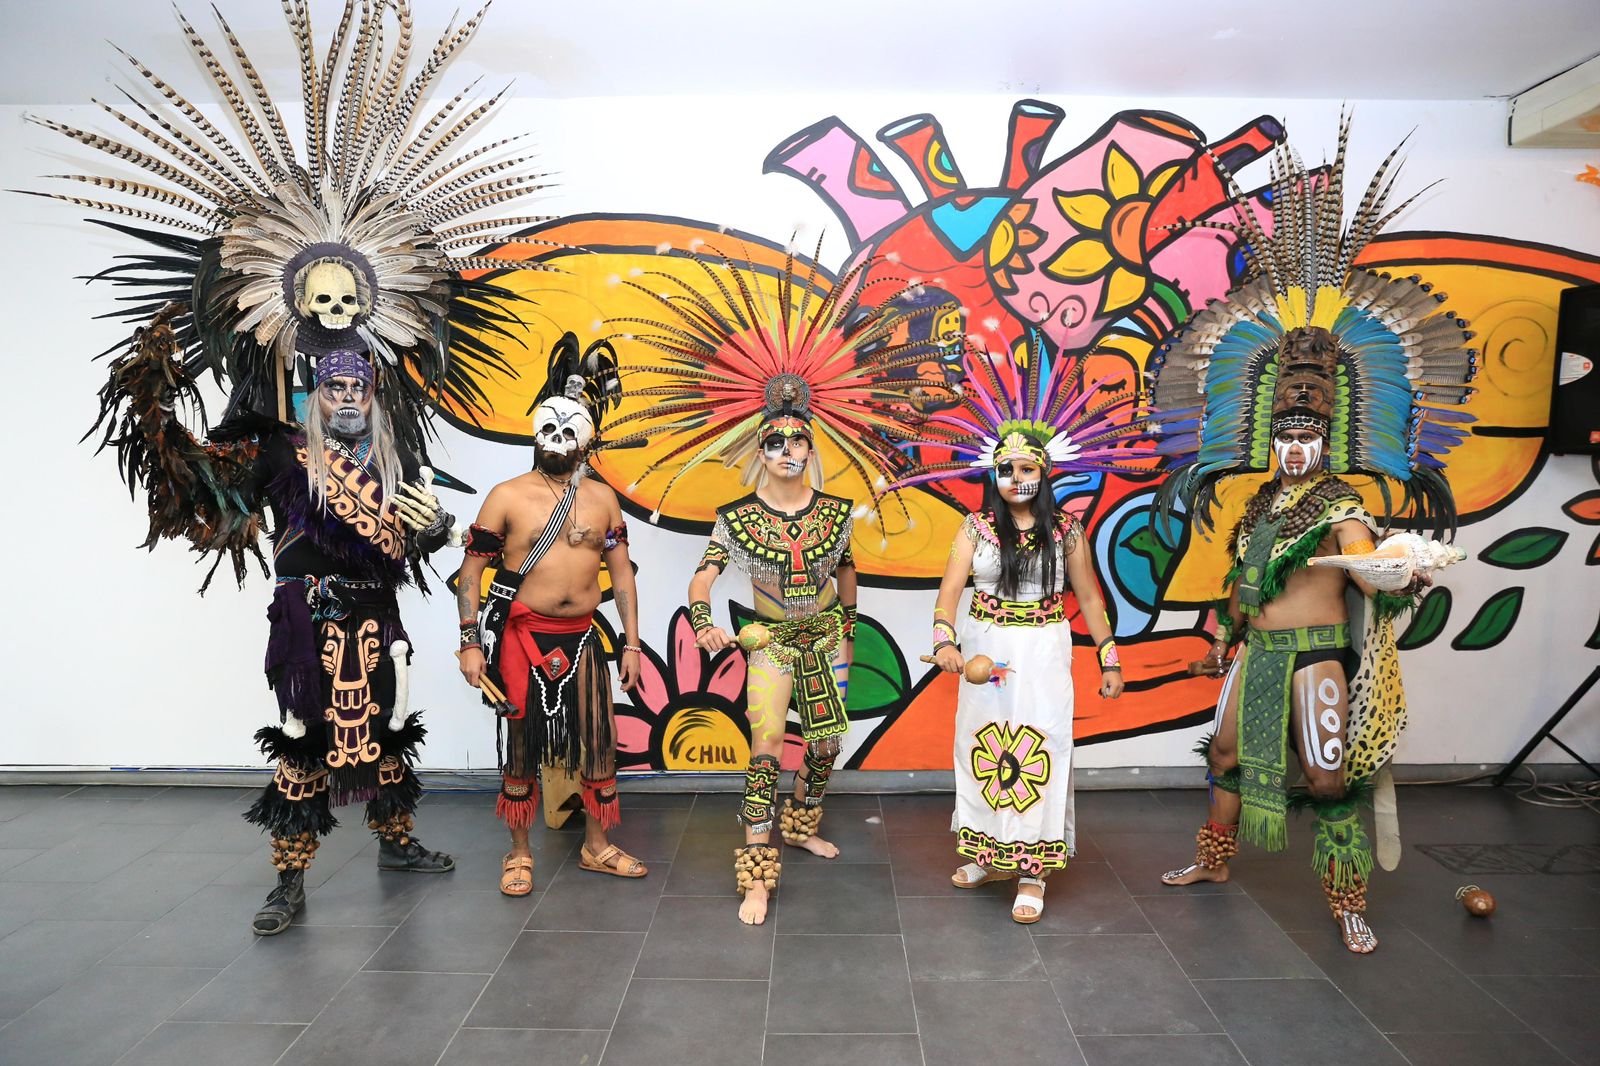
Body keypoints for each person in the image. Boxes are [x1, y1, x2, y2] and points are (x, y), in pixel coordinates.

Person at [1148, 117, 1478, 953]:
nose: (1295, 446)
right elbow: (1243, 587)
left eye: (1308, 434)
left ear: (1328, 440)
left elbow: (1367, 576)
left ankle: (1347, 903)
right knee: (1224, 757)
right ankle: (1214, 862)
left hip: (1315, 659)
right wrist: (1222, 640)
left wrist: (1400, 571)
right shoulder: (1260, 506)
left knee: (1329, 780)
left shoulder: (1345, 508)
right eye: (1285, 434)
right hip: (1255, 656)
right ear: (1269, 437)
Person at [606, 247, 936, 924]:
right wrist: (704, 624)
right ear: (760, 451)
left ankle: (801, 821)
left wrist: (849, 629)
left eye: (798, 442)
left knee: (825, 745)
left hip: (827, 639)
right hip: (771, 645)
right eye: (776, 443)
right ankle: (757, 872)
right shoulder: (737, 517)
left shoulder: (836, 513)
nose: (788, 451)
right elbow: (703, 578)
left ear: (812, 448)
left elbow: (847, 571)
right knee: (763, 754)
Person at [888, 335, 1147, 923]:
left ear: (1044, 473)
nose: (1014, 477)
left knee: (1041, 746)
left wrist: (1109, 659)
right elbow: (949, 594)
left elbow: (1089, 598)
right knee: (981, 745)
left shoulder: (1068, 531)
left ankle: (1032, 870)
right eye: (1004, 469)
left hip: (1043, 648)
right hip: (985, 643)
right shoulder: (974, 528)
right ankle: (988, 854)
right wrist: (945, 641)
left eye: (1026, 468)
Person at [456, 335, 645, 893]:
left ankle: (596, 845)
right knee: (521, 744)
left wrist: (631, 643)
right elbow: (471, 574)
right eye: (548, 429)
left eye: (568, 431)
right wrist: (470, 643)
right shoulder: (507, 495)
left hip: (583, 637)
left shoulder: (603, 500)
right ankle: (519, 853)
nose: (556, 440)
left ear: (587, 439)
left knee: (598, 740)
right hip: (522, 638)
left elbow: (622, 574)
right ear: (535, 431)